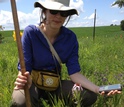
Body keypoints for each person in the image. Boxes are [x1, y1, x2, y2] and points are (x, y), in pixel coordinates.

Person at [11, 0, 121, 107]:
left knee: (89, 96)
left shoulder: (70, 38)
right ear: (44, 11)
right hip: (32, 82)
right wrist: (24, 79)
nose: (58, 16)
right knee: (20, 102)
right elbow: (25, 67)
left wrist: (97, 89)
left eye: (63, 13)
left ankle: (51, 99)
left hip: (55, 85)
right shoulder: (31, 33)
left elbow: (74, 73)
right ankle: (36, 97)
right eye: (53, 11)